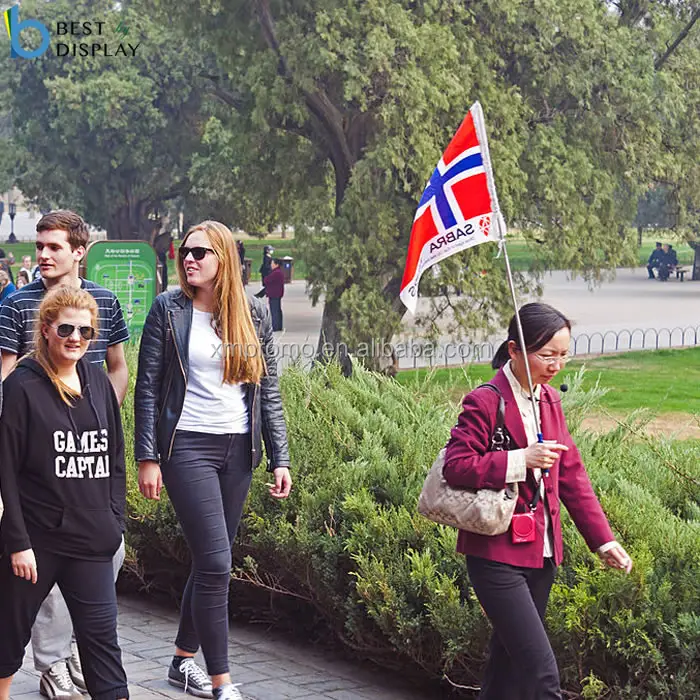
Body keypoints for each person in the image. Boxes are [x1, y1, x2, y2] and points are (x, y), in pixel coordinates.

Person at [134, 221, 292, 700]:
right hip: (187, 448)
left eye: (201, 252)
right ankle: (223, 681)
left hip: (238, 451)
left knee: (209, 563)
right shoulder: (168, 310)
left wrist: (280, 456)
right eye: (185, 252)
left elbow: (269, 391)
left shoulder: (254, 313)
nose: (189, 259)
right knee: (218, 563)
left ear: (223, 258)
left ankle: (182, 662)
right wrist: (148, 456)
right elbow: (147, 387)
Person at [443, 302, 632, 700]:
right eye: (547, 355)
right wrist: (518, 460)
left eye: (564, 354)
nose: (557, 364)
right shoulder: (486, 400)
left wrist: (603, 540)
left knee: (507, 665)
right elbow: (457, 467)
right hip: (495, 556)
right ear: (514, 349)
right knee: (541, 673)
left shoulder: (549, 401)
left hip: (542, 557)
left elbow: (573, 475)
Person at [0, 210, 130, 699]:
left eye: (85, 333)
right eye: (66, 330)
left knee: (104, 649)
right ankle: (50, 665)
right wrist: (16, 537)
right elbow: (8, 456)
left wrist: (114, 517)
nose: (76, 339)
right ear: (47, 329)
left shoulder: (97, 371)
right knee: (8, 639)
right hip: (37, 528)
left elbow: (114, 454)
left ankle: (66, 665)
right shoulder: (23, 366)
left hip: (92, 531)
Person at [263, 259, 284, 332]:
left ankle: (275, 326)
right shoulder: (278, 272)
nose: (271, 265)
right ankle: (278, 325)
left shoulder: (276, 273)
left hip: (274, 294)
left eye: (272, 263)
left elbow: (266, 280)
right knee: (277, 310)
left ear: (276, 264)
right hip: (276, 294)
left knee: (274, 310)